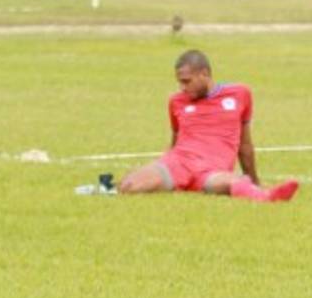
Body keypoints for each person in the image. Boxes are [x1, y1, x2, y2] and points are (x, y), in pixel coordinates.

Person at [117, 50, 299, 202]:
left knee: (234, 183)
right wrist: (159, 167)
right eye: (180, 81)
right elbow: (175, 142)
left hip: (212, 170)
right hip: (179, 164)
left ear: (204, 74)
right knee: (130, 186)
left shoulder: (240, 94)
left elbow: (245, 145)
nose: (182, 87)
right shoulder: (176, 101)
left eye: (187, 81)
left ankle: (266, 196)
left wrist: (254, 180)